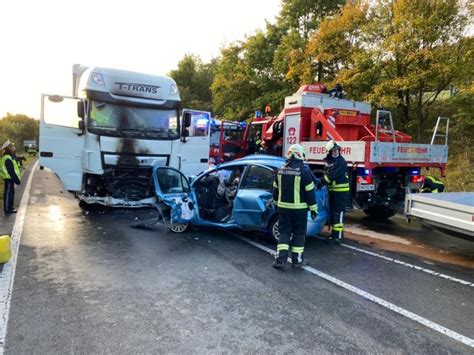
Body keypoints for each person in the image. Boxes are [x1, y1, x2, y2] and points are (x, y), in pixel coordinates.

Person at [272, 144, 318, 270]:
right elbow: (310, 193)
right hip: (299, 210)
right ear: (300, 155)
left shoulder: (280, 170)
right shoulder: (304, 171)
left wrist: (276, 204)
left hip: (283, 209)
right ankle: (297, 260)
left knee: (284, 233)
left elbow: (275, 191)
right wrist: (314, 209)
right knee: (298, 234)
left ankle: (280, 260)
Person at [322, 140, 349, 243]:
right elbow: (327, 173)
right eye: (333, 151)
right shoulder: (330, 162)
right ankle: (335, 234)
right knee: (334, 213)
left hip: (341, 193)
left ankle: (337, 237)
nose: (335, 152)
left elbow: (332, 176)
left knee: (338, 213)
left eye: (337, 150)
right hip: (334, 191)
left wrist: (322, 181)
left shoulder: (341, 162)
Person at [1, 140, 21, 214]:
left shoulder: (9, 157)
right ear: (9, 148)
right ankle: (7, 209)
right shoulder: (7, 158)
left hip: (10, 179)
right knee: (8, 193)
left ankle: (10, 207)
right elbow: (11, 171)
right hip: (9, 179)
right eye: (12, 146)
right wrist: (17, 180)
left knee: (11, 193)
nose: (14, 147)